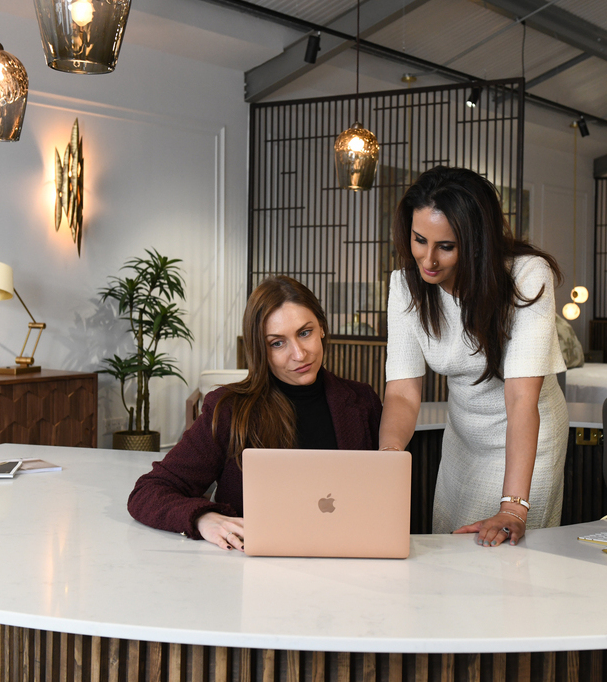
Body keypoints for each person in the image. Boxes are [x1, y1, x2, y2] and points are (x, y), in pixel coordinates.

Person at [379, 166, 568, 547]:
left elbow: (520, 399)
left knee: (505, 556)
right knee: (452, 556)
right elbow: (402, 392)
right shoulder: (405, 286)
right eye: (419, 240)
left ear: (477, 241)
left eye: (446, 246)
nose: (428, 259)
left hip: (527, 436)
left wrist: (513, 507)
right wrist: (389, 456)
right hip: (463, 440)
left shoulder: (528, 276)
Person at [128, 276, 382, 551]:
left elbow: (387, 494)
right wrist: (204, 517)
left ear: (321, 327)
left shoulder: (362, 400)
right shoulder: (229, 409)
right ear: (260, 349)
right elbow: (148, 492)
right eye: (277, 343)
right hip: (255, 569)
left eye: (305, 332)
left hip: (350, 558)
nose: (299, 354)